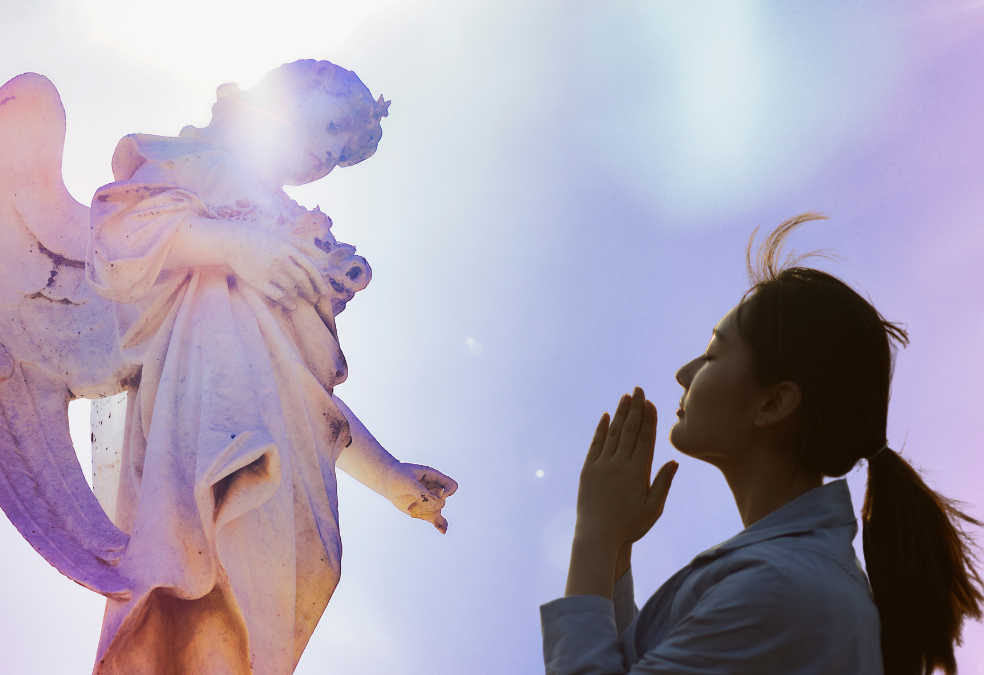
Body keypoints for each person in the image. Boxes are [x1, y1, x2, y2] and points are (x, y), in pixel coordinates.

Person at [85, 60, 456, 674]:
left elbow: (305, 396)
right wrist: (237, 245)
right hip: (200, 394)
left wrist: (389, 475)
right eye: (331, 126)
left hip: (284, 430)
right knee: (211, 552)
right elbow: (118, 234)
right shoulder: (197, 161)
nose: (328, 154)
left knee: (302, 567)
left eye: (340, 154)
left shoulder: (297, 226)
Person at [541, 214, 983, 675]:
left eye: (712, 355)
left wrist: (593, 535)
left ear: (773, 403)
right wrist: (614, 548)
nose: (684, 373)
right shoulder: (786, 579)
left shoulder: (779, 590)